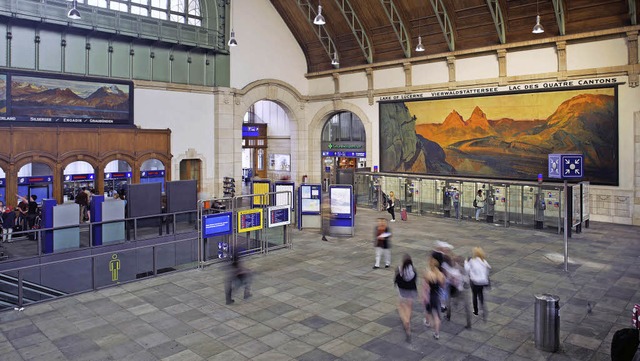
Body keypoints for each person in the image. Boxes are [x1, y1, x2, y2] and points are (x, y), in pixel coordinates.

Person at [443, 256, 472, 328]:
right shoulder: (466, 269)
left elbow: (448, 280)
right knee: (467, 307)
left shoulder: (453, 269)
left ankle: (448, 315)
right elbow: (467, 282)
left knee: (448, 301)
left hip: (455, 289)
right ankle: (469, 323)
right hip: (463, 290)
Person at [394, 254, 417, 343]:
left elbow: (396, 281)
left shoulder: (399, 270)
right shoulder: (413, 271)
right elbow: (414, 281)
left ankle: (406, 322)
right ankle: (408, 323)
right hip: (411, 292)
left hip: (402, 292)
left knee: (400, 306)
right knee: (409, 308)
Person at [465, 247, 491, 320]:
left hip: (475, 282)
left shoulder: (472, 261)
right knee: (481, 294)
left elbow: (467, 269)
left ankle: (476, 311)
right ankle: (482, 308)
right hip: (483, 281)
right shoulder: (484, 261)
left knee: (474, 295)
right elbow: (488, 269)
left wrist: (466, 262)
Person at [423, 257, 446, 340]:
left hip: (430, 296)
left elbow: (425, 287)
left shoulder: (428, 274)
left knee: (428, 311)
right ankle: (437, 333)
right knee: (436, 315)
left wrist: (424, 296)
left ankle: (427, 322)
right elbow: (443, 286)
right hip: (437, 296)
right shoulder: (441, 275)